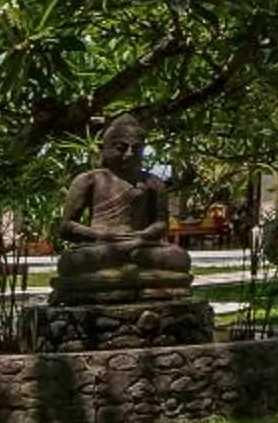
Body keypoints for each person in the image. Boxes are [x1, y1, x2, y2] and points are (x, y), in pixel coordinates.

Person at [51, 114, 193, 300]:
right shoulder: (89, 180)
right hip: (102, 246)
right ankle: (125, 261)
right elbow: (67, 227)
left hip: (140, 245)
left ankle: (126, 261)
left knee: (180, 258)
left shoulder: (152, 182)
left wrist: (142, 236)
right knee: (71, 262)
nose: (129, 154)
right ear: (103, 150)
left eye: (137, 149)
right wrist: (102, 235)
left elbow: (161, 224)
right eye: (120, 148)